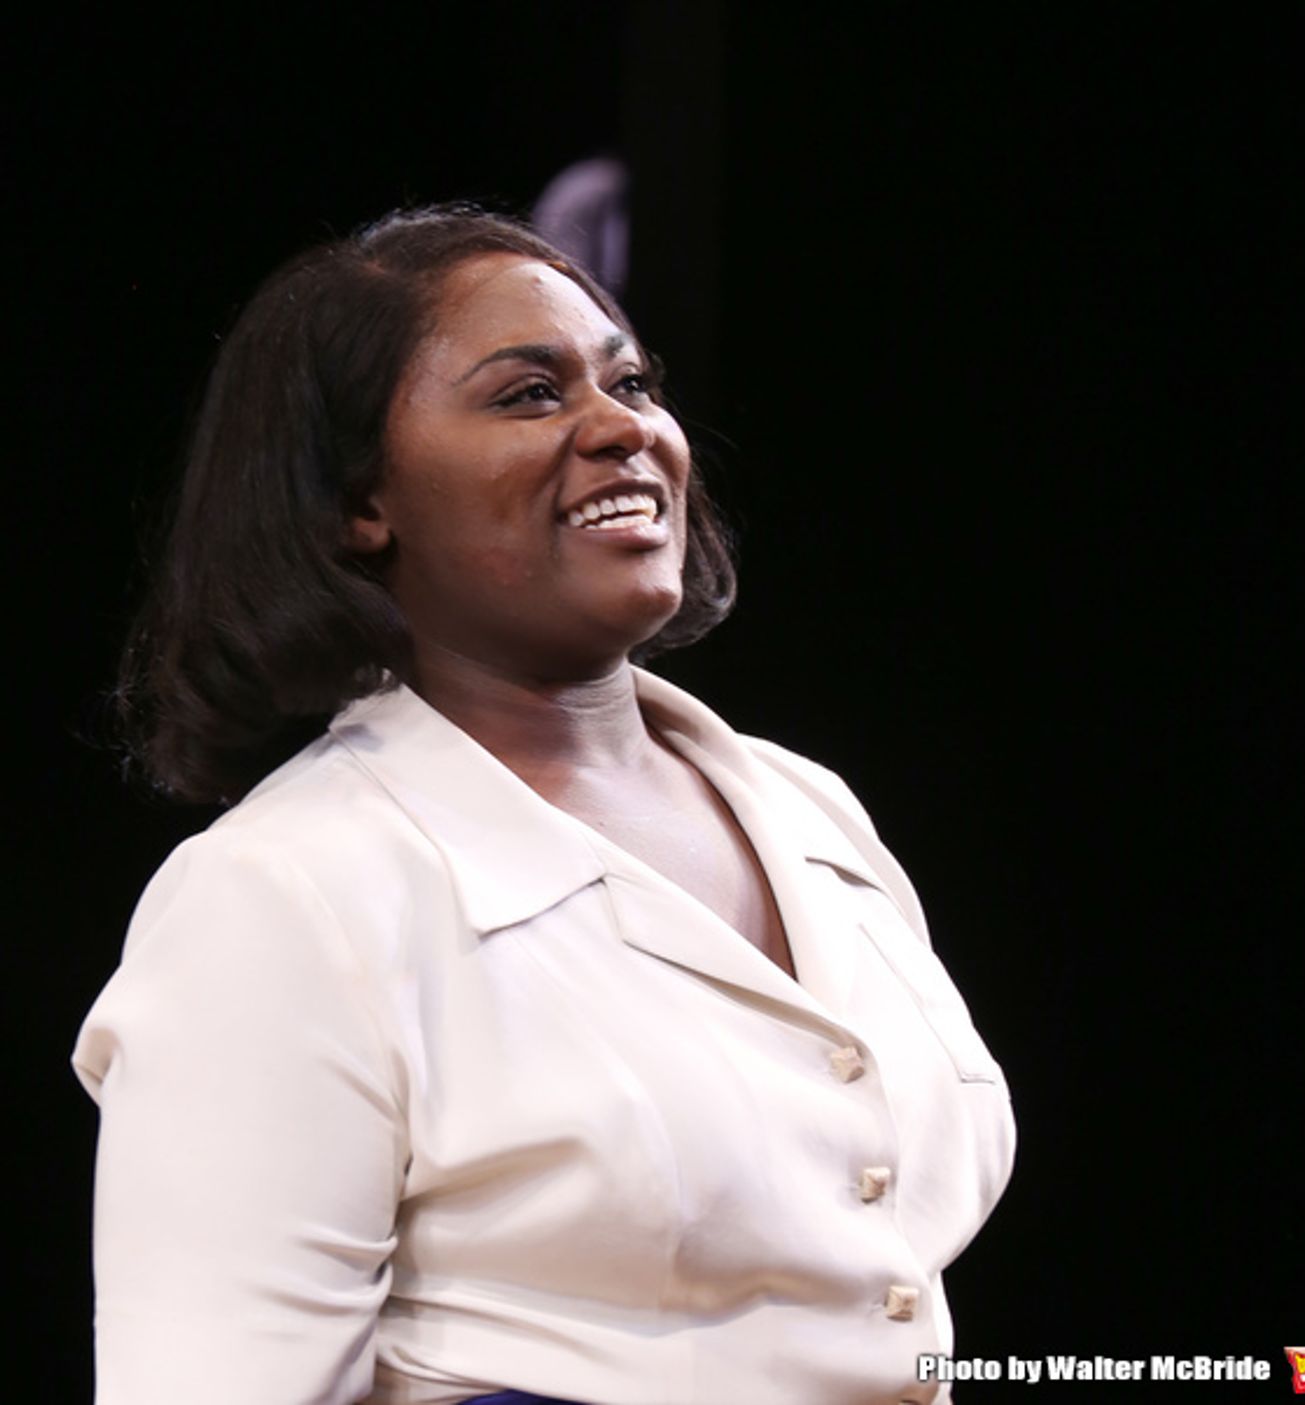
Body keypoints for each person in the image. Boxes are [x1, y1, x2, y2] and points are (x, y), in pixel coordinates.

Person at [73, 204, 1015, 1405]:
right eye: (528, 395)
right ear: (361, 500)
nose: (623, 428)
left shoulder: (804, 807)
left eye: (630, 381)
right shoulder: (284, 894)